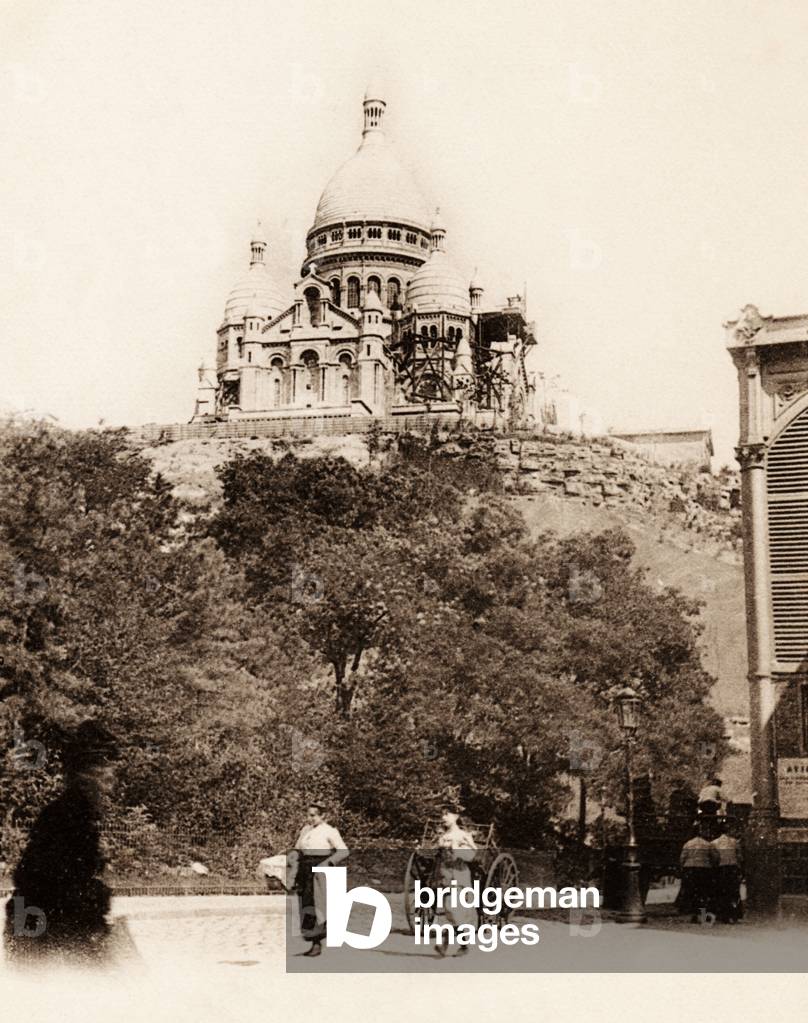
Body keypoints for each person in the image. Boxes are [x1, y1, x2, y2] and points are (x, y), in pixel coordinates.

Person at [3, 720, 122, 968]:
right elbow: (49, 883)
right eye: (106, 770)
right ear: (88, 774)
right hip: (44, 930)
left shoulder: (78, 813)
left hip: (43, 927)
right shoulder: (70, 815)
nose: (113, 778)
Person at [293, 802, 347, 957]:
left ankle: (318, 943)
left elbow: (343, 851)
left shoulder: (330, 831)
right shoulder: (305, 830)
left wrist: (327, 863)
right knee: (306, 903)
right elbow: (298, 849)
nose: (310, 818)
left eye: (313, 815)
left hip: (320, 870)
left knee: (319, 905)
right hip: (305, 870)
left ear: (323, 816)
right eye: (308, 815)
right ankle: (312, 940)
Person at [434, 804, 477, 958]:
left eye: (447, 814)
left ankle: (447, 941)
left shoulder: (464, 835)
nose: (444, 818)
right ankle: (461, 944)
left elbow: (471, 855)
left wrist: (457, 850)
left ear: (456, 817)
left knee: (453, 910)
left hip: (459, 877)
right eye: (442, 815)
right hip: (445, 876)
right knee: (449, 911)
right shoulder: (442, 837)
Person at [678, 824, 718, 922]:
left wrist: (682, 867)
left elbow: (682, 858)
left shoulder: (688, 844)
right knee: (703, 893)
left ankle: (692, 915)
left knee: (691, 892)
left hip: (690, 869)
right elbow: (715, 857)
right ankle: (703, 915)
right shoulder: (708, 844)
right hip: (704, 870)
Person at [711, 820, 743, 923]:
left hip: (721, 869)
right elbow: (740, 857)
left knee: (721, 892)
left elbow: (714, 859)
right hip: (732, 869)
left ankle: (722, 915)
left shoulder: (714, 843)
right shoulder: (734, 842)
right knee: (733, 892)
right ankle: (734, 915)